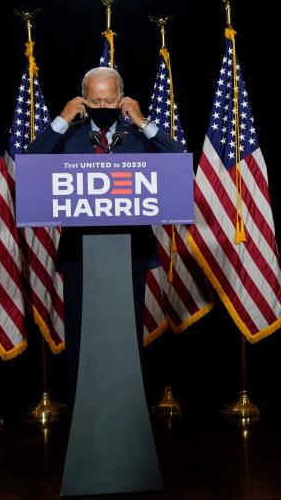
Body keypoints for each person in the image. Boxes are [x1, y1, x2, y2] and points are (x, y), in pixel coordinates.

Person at [28, 66, 184, 404]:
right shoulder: (69, 136)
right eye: (95, 100)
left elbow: (177, 161)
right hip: (80, 257)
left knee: (125, 337)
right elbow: (30, 165)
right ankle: (82, 407)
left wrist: (142, 120)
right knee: (83, 338)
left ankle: (128, 407)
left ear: (122, 99)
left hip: (130, 255)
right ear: (83, 100)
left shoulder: (140, 137)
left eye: (109, 100)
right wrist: (61, 119)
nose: (102, 106)